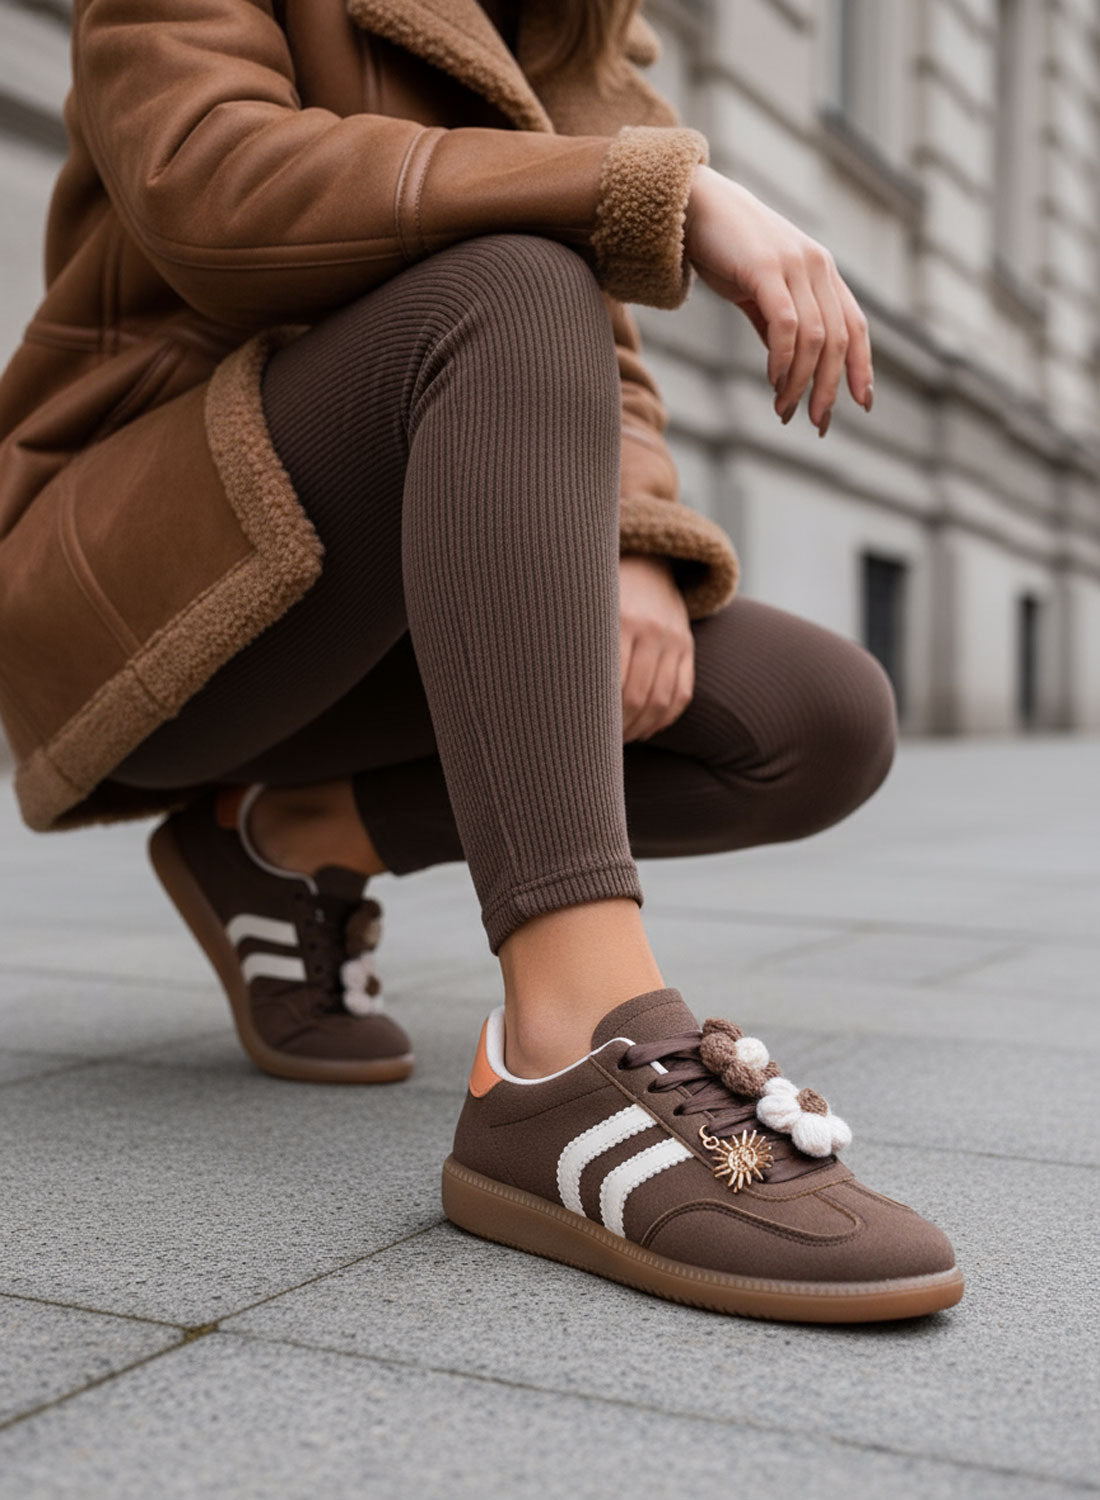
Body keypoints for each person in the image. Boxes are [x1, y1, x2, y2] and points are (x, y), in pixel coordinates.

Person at [0, 0, 962, 1321]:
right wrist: (671, 194)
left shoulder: (574, 10)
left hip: (416, 565)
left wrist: (634, 543)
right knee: (509, 278)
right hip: (149, 568)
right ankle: (568, 1043)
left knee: (813, 718)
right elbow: (209, 184)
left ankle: (287, 840)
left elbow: (597, 338)